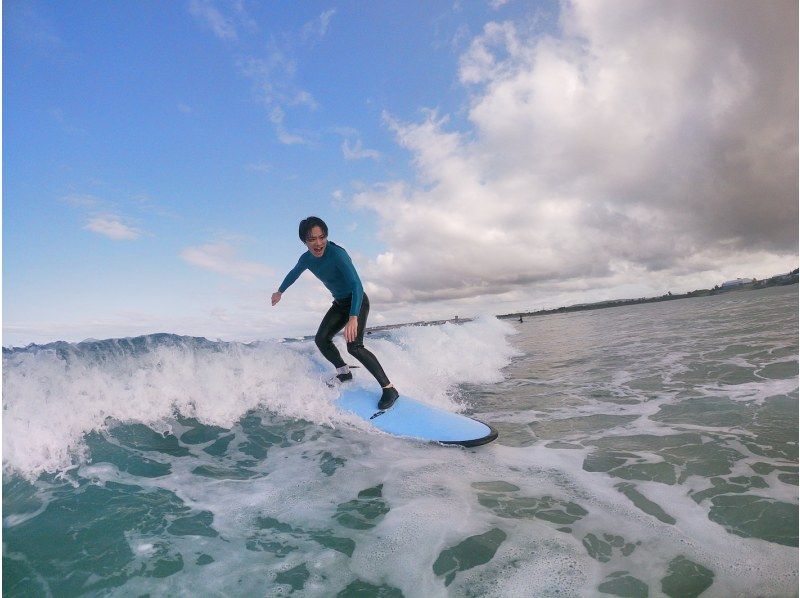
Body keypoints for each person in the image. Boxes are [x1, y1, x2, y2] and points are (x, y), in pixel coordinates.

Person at [271, 216, 399, 410]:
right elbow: (294, 273)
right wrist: (280, 291)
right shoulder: (306, 258)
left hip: (357, 300)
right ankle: (344, 372)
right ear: (304, 241)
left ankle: (389, 389)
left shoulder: (337, 254)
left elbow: (357, 285)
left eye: (322, 237)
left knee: (354, 346)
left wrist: (353, 317)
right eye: (312, 239)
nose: (318, 243)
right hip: (340, 304)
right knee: (321, 339)